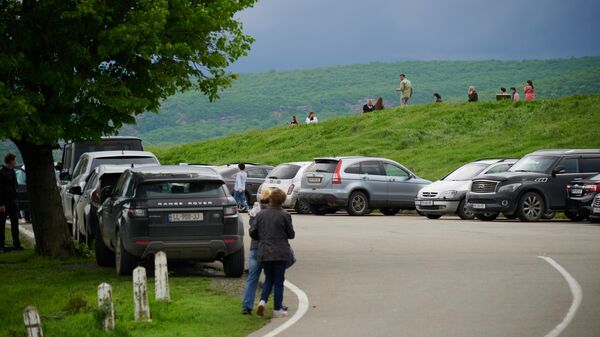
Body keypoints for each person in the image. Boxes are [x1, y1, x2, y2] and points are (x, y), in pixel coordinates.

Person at [251, 188, 295, 318]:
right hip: (280, 252)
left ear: (270, 199)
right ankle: (277, 309)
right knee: (279, 281)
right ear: (282, 201)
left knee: (269, 278)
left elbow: (252, 232)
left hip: (264, 251)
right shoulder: (285, 215)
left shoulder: (261, 214)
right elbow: (291, 234)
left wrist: (262, 237)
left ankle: (262, 301)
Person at [242, 188, 272, 315]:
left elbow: (252, 230)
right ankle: (275, 303)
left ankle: (247, 305)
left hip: (255, 247)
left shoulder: (254, 211)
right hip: (268, 248)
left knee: (252, 277)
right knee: (272, 276)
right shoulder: (272, 212)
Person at [0, 153, 22, 252]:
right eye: (14, 160)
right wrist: (1, 204)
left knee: (15, 223)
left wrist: (16, 190)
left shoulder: (13, 172)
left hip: (13, 200)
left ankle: (17, 244)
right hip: (4, 202)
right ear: (10, 161)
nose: (15, 162)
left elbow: (15, 184)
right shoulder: (2, 172)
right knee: (1, 225)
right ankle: (1, 246)